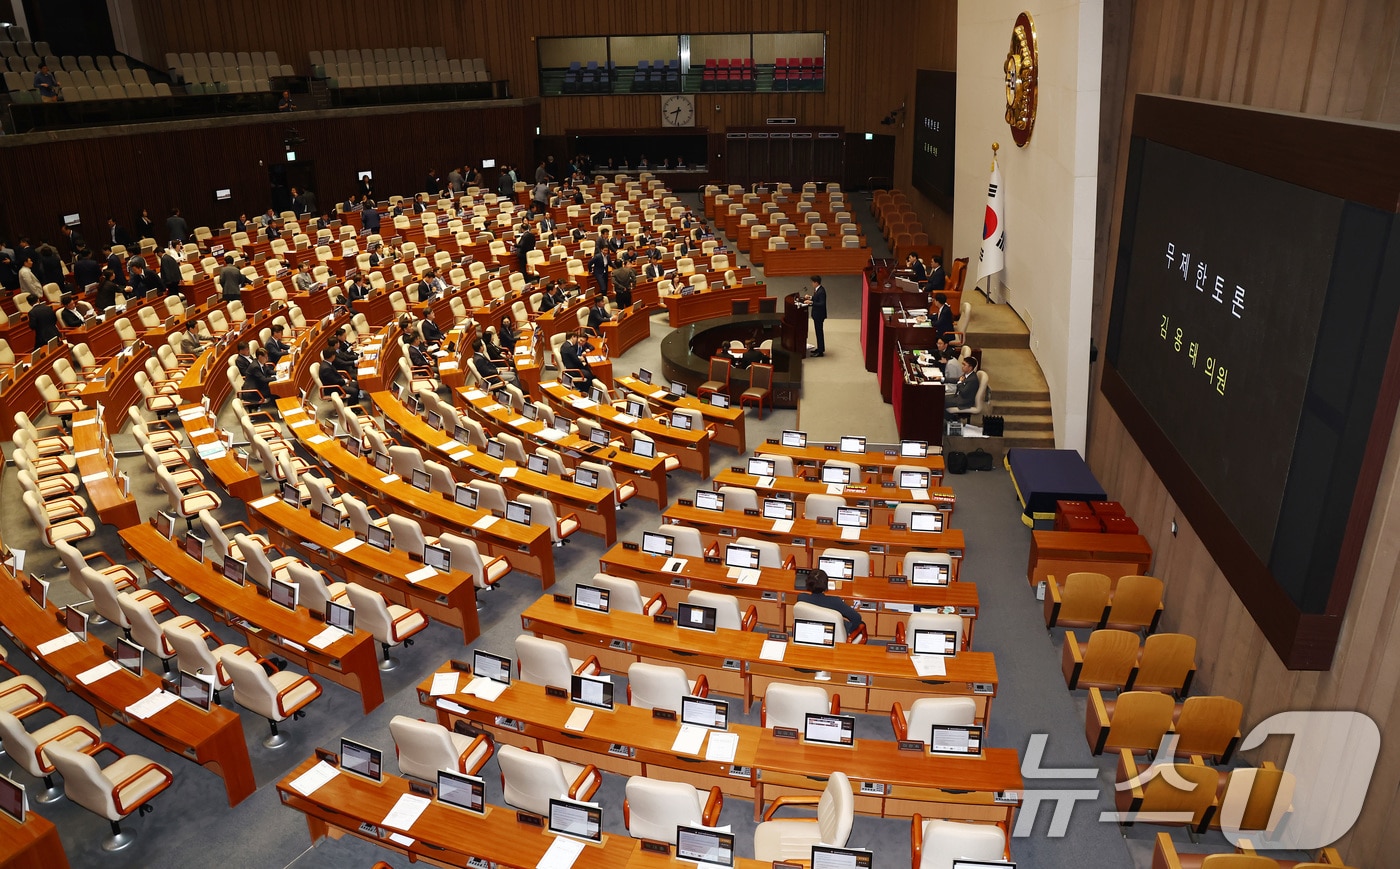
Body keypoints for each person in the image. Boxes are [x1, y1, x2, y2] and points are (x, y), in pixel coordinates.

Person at [796, 569, 863, 636]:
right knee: (861, 624)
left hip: (810, 632)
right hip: (832, 634)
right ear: (826, 585)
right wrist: (849, 632)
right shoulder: (835, 601)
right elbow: (856, 618)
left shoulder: (801, 598)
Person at [945, 355, 981, 420]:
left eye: (964, 365)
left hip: (964, 401)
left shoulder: (972, 380)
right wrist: (942, 379)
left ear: (970, 368)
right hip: (958, 397)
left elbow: (964, 392)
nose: (962, 366)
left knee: (940, 402)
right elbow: (956, 380)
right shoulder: (966, 374)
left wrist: (960, 383)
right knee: (939, 398)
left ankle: (952, 418)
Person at [806, 275, 828, 357]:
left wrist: (811, 302)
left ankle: (820, 351)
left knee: (819, 332)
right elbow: (816, 299)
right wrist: (810, 297)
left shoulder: (821, 291)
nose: (811, 284)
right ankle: (819, 348)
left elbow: (822, 303)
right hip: (817, 315)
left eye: (812, 282)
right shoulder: (817, 290)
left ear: (816, 282)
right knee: (818, 332)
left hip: (819, 315)